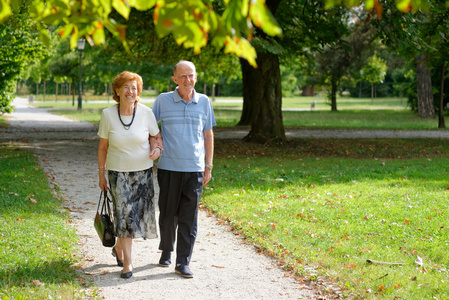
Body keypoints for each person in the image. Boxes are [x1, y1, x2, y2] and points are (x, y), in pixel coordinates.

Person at [152, 60, 216, 278]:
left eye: (191, 75)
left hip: (195, 169)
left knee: (189, 216)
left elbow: (208, 135)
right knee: (168, 214)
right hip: (169, 167)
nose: (188, 80)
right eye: (183, 76)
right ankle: (167, 249)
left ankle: (182, 261)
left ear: (196, 77)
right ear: (175, 79)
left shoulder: (204, 102)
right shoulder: (163, 100)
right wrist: (156, 145)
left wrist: (208, 166)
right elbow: (151, 128)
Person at [97, 71, 163, 279]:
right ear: (117, 90)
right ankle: (128, 262)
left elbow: (156, 136)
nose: (130, 91)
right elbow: (102, 147)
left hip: (143, 173)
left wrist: (157, 149)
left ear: (138, 92)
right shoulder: (108, 115)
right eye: (126, 87)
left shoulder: (146, 113)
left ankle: (119, 247)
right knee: (124, 214)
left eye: (134, 88)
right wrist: (102, 174)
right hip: (118, 173)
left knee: (134, 217)